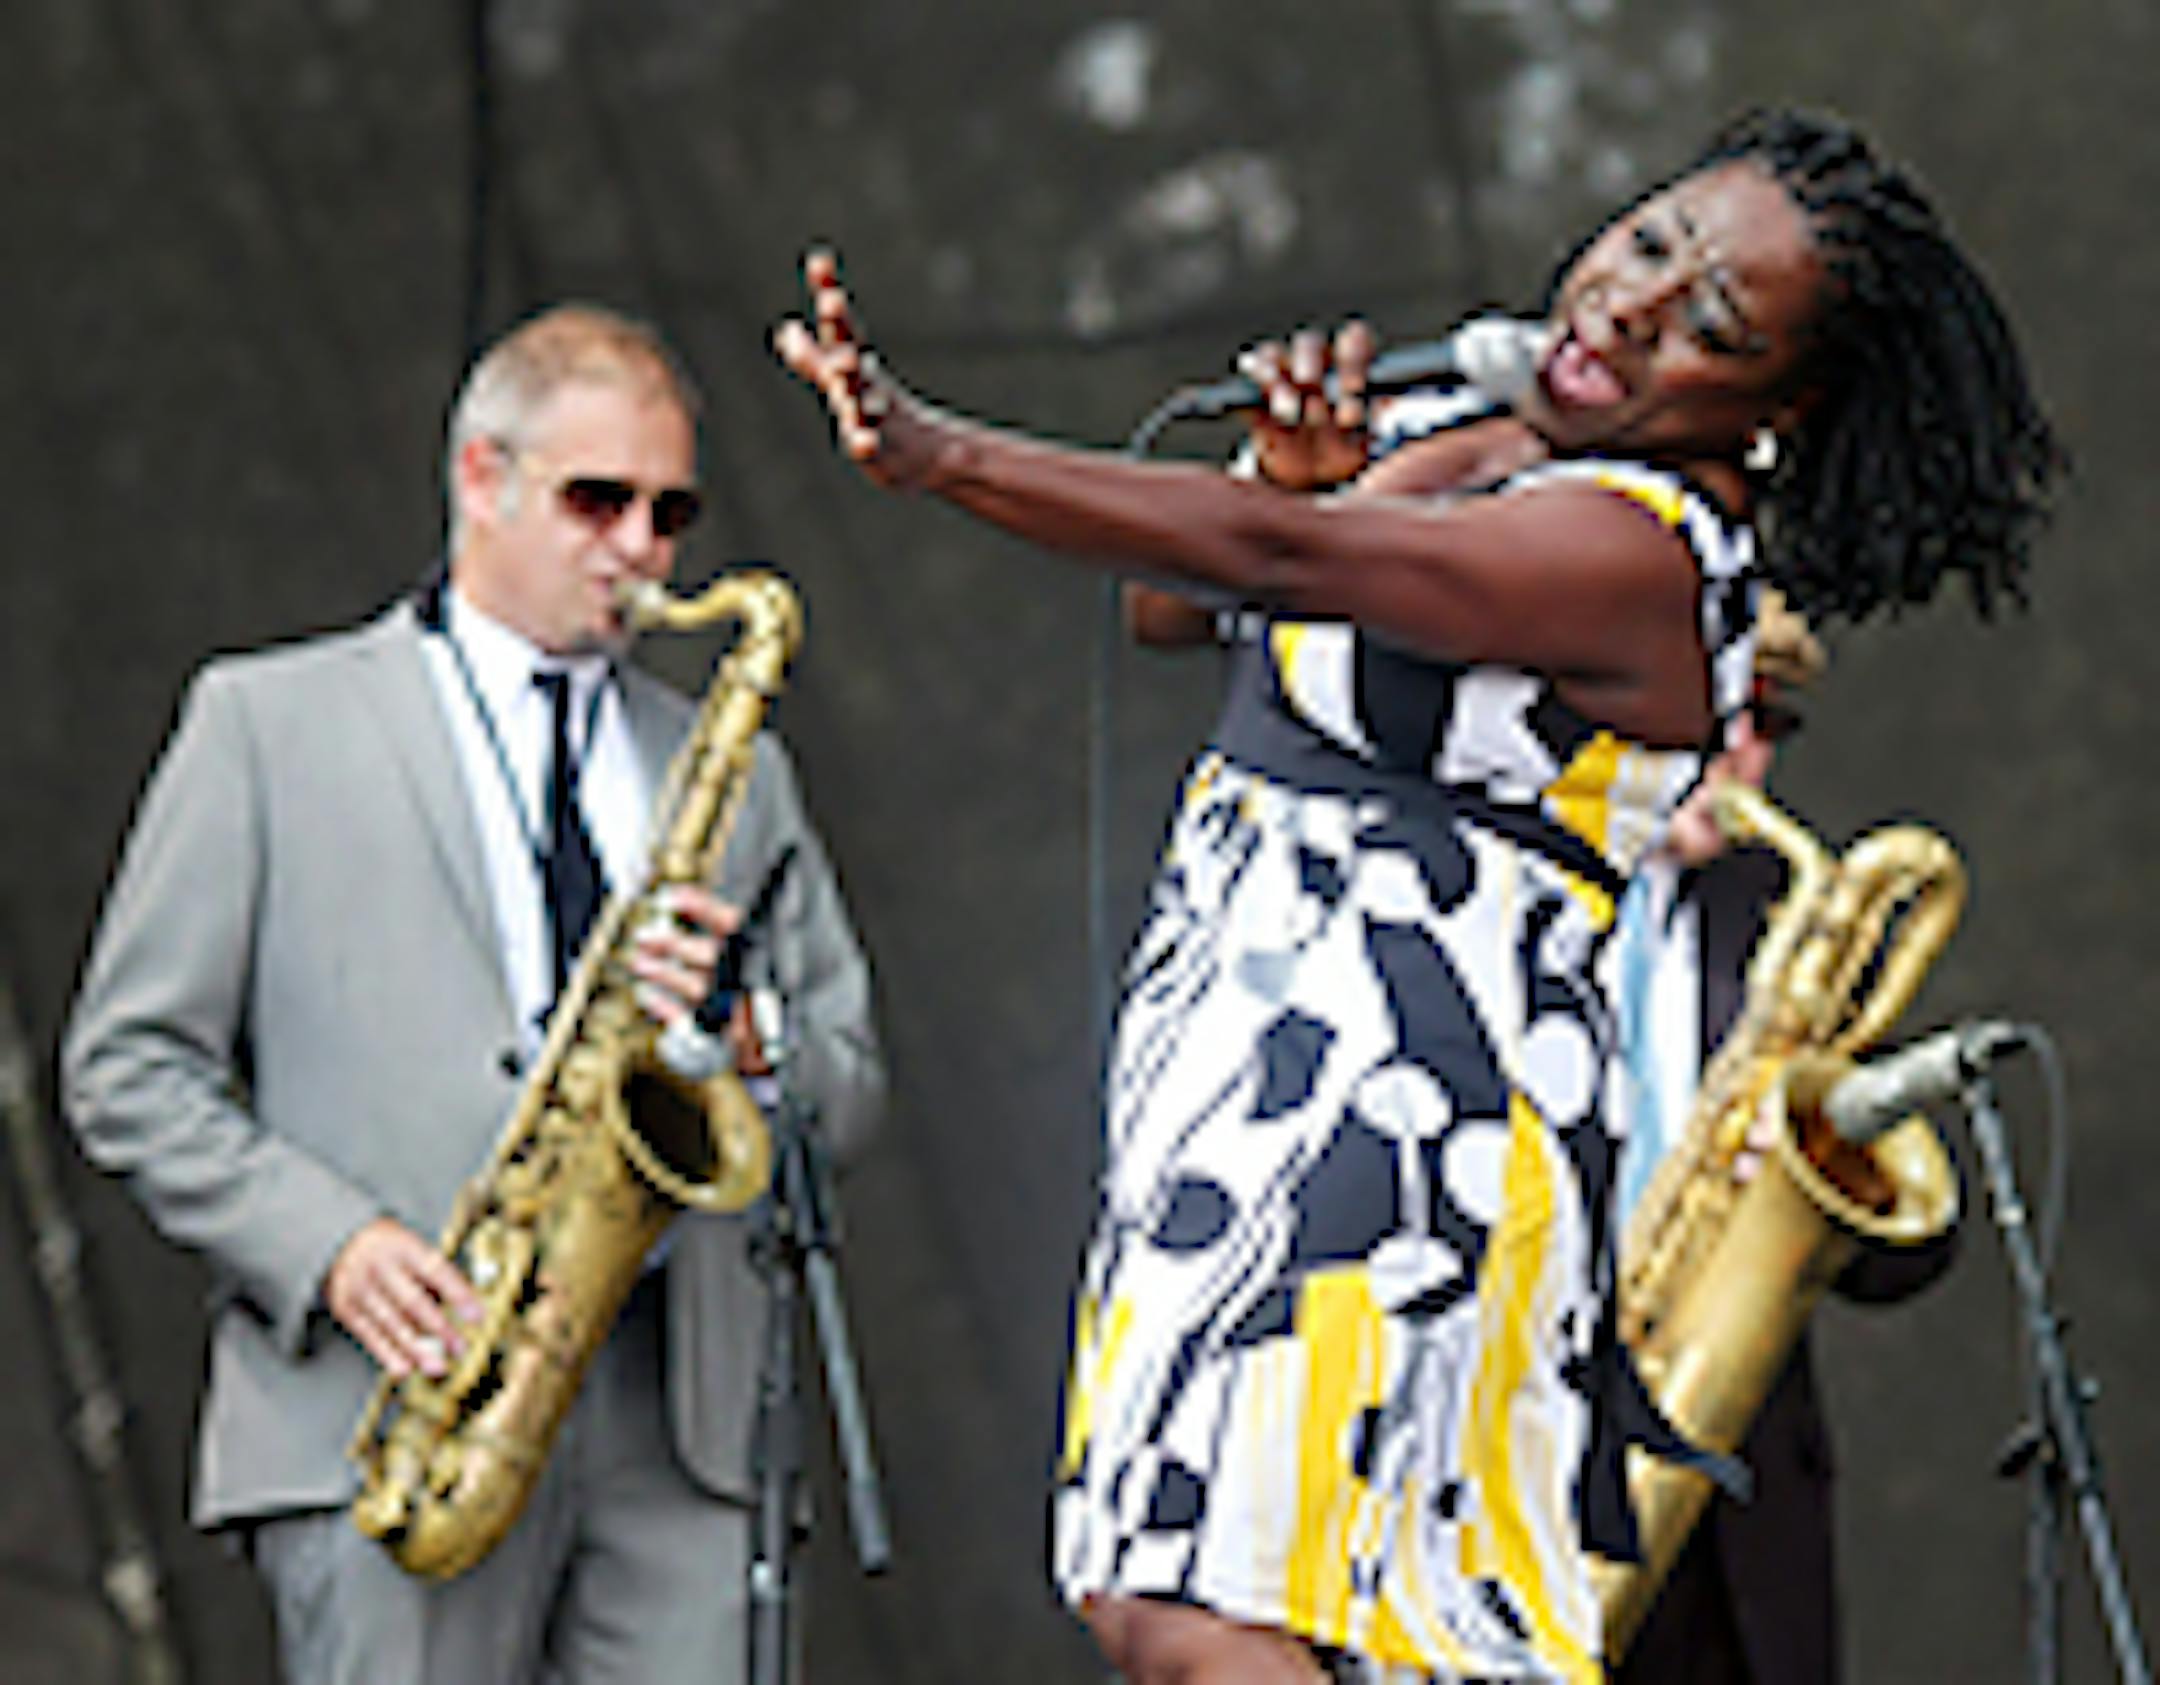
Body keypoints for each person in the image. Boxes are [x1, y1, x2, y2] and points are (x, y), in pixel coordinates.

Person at [777, 105, 2058, 1684]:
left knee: (1186, 1605)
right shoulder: (1487, 423)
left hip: (1390, 1105)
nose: (1634, 306)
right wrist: (1297, 470)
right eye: (1650, 242)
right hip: (1252, 1061)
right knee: (1302, 1622)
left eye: (1713, 324)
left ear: (1782, 407)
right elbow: (1177, 605)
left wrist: (944, 452)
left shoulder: (1653, 552)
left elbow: (1280, 564)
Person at [62, 304, 885, 1684]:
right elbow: (127, 1068)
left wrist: (749, 1036)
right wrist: (333, 1246)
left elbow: (849, 1083)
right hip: (397, 1401)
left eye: (672, 512)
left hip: (677, 1428)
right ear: (479, 477)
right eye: (598, 499)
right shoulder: (265, 724)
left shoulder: (733, 766)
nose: (641, 546)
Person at [1607, 612, 1957, 1685]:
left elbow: (1904, 1252)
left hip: (1738, 1524)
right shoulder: (1482, 901)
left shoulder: (1781, 917)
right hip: (1513, 1478)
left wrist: (1823, 1140)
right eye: (1717, 713)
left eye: (1769, 723)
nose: (1745, 757)